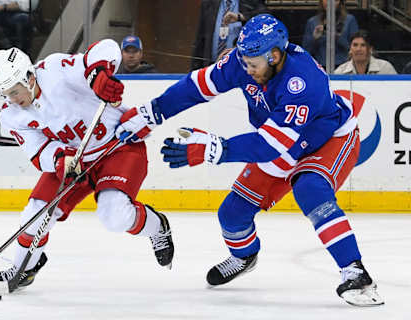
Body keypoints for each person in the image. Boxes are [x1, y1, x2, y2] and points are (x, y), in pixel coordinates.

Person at [115, 14, 384, 307]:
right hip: (278, 140)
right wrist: (152, 113)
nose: (247, 69)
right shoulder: (245, 60)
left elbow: (269, 146)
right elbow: (196, 87)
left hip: (328, 139)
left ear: (276, 56)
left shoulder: (302, 82)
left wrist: (214, 149)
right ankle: (245, 256)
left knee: (310, 189)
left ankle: (356, 273)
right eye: (244, 62)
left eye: (253, 65)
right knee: (232, 213)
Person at [0, 41, 174, 289]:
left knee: (114, 215)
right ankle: (23, 268)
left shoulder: (54, 70)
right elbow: (37, 150)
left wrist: (98, 74)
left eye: (13, 91)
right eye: (5, 94)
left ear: (29, 77)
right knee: (35, 213)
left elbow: (105, 48)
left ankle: (157, 226)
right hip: (73, 161)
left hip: (117, 146)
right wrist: (58, 159)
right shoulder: (11, 115)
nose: (11, 99)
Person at [191, 0, 267, 70]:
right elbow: (200, 39)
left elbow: (266, 16)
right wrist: (194, 71)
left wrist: (241, 17)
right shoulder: (208, 3)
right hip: (212, 66)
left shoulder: (251, 2)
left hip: (241, 67)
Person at [302, 0, 358, 70]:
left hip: (344, 66)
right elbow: (305, 51)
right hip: (320, 66)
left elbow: (355, 49)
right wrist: (314, 38)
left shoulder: (349, 20)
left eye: (335, 0)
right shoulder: (312, 22)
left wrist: (337, 37)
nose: (329, 2)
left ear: (340, 2)